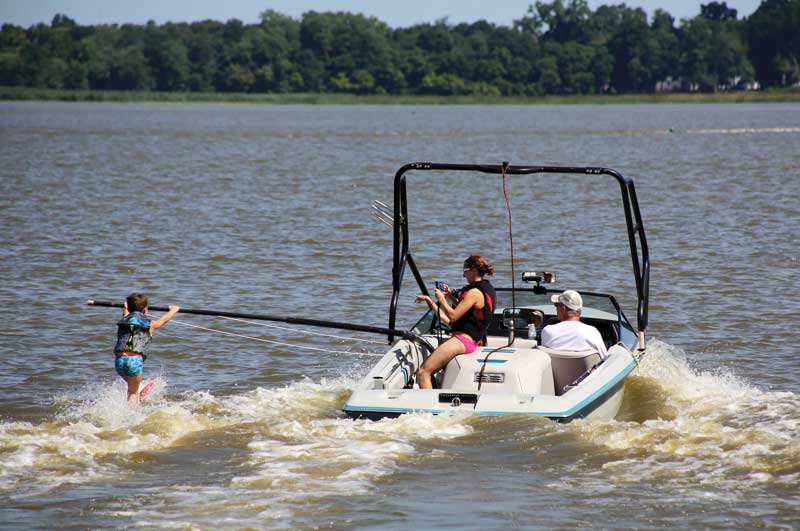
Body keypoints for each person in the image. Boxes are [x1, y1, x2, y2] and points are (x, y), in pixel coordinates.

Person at [414, 255, 498, 389]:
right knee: (431, 372)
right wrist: (447, 297)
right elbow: (464, 311)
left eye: (465, 270)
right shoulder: (485, 289)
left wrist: (441, 299)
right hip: (469, 340)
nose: (463, 275)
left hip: (462, 341)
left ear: (474, 270)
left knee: (423, 373)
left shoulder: (474, 292)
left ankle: (429, 410)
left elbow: (453, 316)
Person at [113, 293, 179, 405]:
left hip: (119, 361)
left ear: (128, 308)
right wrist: (173, 310)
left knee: (132, 386)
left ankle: (139, 396)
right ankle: (132, 414)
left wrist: (125, 307)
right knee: (132, 392)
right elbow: (163, 320)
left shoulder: (124, 320)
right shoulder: (150, 324)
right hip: (134, 361)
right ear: (145, 309)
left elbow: (127, 314)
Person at [540, 290, 607, 358]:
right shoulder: (592, 332)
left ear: (563, 309)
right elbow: (604, 359)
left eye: (556, 305)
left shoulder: (548, 331)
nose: (556, 308)